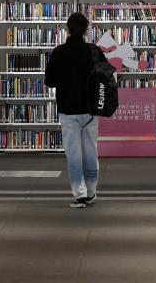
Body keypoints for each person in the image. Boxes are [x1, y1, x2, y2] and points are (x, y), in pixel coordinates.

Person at [44, 12, 107, 208]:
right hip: (90, 110)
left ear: (67, 29)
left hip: (68, 109)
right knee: (90, 151)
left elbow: (50, 81)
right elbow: (105, 78)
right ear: (87, 29)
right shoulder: (94, 51)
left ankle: (79, 194)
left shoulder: (59, 52)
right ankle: (92, 191)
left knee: (73, 153)